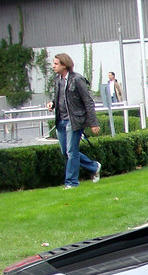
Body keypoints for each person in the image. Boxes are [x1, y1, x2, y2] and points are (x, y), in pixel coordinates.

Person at [47, 53, 101, 189]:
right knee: (66, 151)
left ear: (64, 65)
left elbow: (88, 101)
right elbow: (60, 98)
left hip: (74, 120)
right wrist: (52, 104)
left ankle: (71, 183)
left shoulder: (77, 79)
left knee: (71, 152)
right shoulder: (57, 80)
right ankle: (94, 167)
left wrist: (93, 123)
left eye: (56, 64)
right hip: (61, 120)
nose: (53, 66)